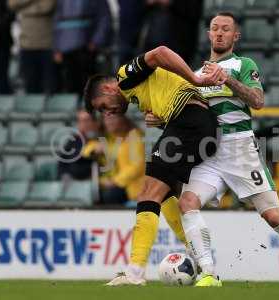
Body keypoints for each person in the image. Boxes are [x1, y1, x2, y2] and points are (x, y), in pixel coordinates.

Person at [176, 12, 279, 288]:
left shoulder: (243, 64)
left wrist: (226, 80)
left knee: (272, 215)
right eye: (215, 28)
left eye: (225, 29)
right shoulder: (195, 76)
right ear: (208, 34)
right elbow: (186, 114)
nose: (219, 33)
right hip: (208, 152)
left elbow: (258, 100)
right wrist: (158, 116)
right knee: (187, 203)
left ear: (235, 36)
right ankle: (208, 273)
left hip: (240, 149)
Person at [83, 45, 225, 285]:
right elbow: (169, 89)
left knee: (147, 192)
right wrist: (161, 119)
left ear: (109, 88)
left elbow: (159, 53)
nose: (107, 114)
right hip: (194, 125)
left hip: (189, 122)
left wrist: (195, 79)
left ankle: (135, 272)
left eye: (103, 107)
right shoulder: (139, 93)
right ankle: (201, 260)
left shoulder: (124, 77)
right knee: (166, 194)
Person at [82, 114, 145, 205]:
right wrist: (94, 149)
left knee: (109, 196)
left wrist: (114, 181)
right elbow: (87, 149)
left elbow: (137, 167)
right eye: (106, 120)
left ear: (123, 120)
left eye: (112, 119)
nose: (109, 123)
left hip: (132, 187)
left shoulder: (135, 137)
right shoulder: (110, 137)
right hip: (113, 184)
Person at [53, 0, 113, 95]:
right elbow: (56, 22)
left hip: (87, 49)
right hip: (66, 51)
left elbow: (104, 18)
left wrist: (95, 42)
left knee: (88, 87)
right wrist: (57, 48)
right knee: (70, 86)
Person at [8, 0, 56, 93]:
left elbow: (48, 6)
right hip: (26, 46)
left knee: (49, 84)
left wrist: (23, 9)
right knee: (30, 84)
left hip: (46, 45)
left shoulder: (23, 11)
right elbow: (12, 4)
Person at [58, 110, 100, 180]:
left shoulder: (101, 138)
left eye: (86, 120)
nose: (83, 124)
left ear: (95, 122)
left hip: (97, 181)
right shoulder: (73, 140)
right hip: (74, 183)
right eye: (80, 121)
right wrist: (65, 175)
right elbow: (62, 162)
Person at [0, 0, 14, 95]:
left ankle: (2, 103)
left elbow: (11, 14)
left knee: (0, 77)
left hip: (1, 43)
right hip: (0, 42)